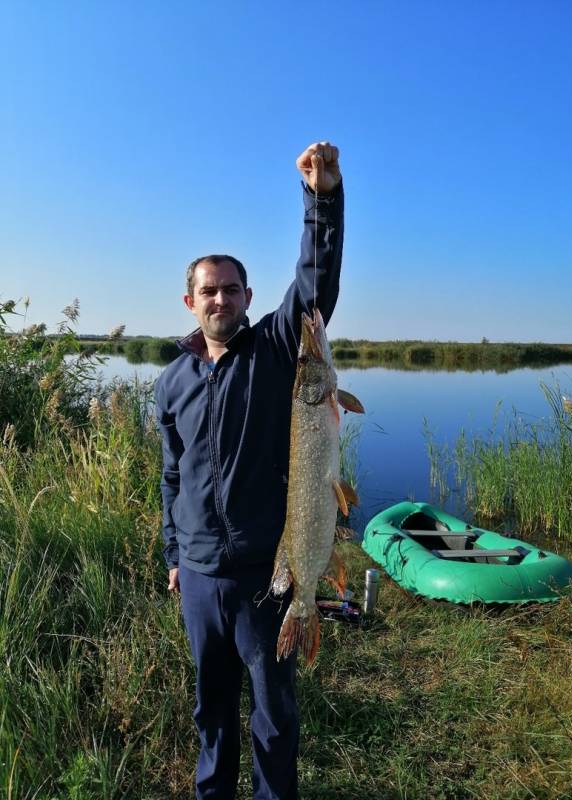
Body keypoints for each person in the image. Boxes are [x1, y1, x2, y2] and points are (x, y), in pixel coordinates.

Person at [155, 142, 343, 800]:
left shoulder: (270, 349)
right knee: (212, 709)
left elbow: (315, 284)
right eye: (210, 290)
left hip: (267, 569)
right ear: (190, 301)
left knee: (272, 709)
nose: (221, 299)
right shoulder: (171, 381)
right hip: (202, 578)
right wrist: (174, 553)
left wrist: (321, 199)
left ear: (248, 297)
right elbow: (171, 477)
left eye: (232, 289)